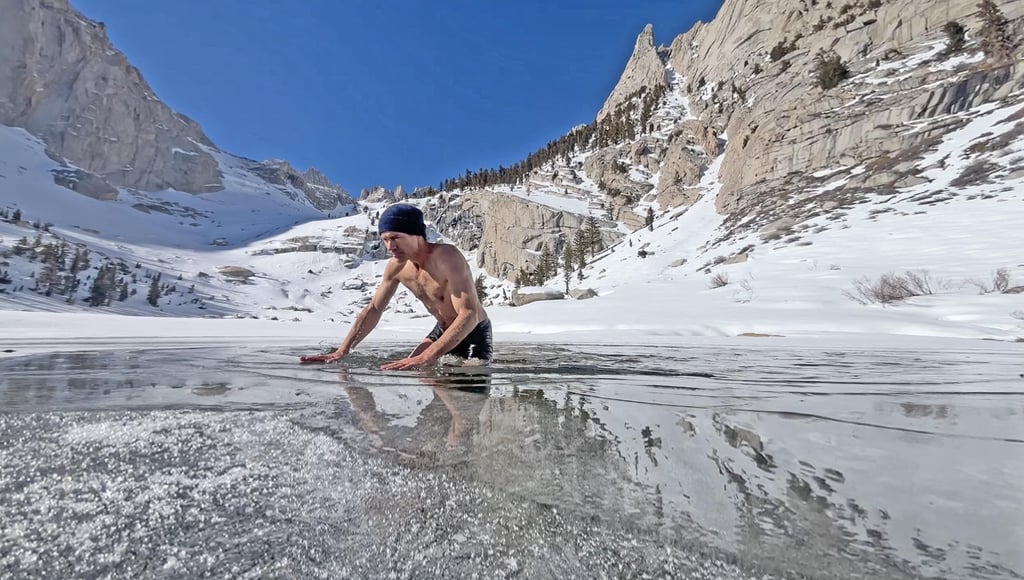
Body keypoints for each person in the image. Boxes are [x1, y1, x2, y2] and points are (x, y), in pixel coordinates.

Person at [301, 204, 491, 370]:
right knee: (411, 369)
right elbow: (374, 309)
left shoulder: (447, 257)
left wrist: (426, 356)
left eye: (395, 237)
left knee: (465, 399)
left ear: (416, 235)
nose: (389, 246)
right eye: (384, 239)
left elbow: (468, 314)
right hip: (442, 328)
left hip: (474, 329)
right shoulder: (396, 267)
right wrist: (342, 351)